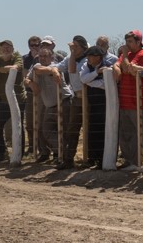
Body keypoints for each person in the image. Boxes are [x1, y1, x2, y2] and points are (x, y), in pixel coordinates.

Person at [115, 30, 143, 170]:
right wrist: (118, 67)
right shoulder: (127, 55)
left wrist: (124, 58)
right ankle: (132, 161)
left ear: (139, 42)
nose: (127, 44)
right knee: (127, 133)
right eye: (126, 41)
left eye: (130, 41)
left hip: (140, 101)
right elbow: (118, 66)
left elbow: (129, 69)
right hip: (125, 101)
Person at [26, 43, 67, 164]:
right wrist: (31, 83)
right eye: (40, 56)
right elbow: (26, 79)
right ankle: (55, 153)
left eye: (45, 56)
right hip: (50, 103)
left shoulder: (56, 66)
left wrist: (52, 71)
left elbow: (42, 69)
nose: (42, 58)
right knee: (44, 129)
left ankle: (62, 154)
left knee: (56, 130)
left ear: (51, 57)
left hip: (63, 101)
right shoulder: (37, 66)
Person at [77, 45, 113, 168]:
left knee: (103, 131)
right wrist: (96, 72)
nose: (89, 58)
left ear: (98, 57)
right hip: (92, 104)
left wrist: (91, 83)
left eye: (91, 56)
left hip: (105, 103)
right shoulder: (87, 65)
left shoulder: (108, 65)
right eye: (88, 56)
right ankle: (92, 158)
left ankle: (102, 160)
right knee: (92, 131)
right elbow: (83, 78)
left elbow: (105, 84)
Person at [58, 35, 88, 168]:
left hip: (88, 98)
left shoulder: (87, 59)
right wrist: (55, 72)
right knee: (71, 129)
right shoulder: (69, 58)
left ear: (83, 47)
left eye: (76, 46)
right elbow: (58, 67)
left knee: (90, 130)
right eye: (72, 46)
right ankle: (68, 159)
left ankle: (90, 159)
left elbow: (71, 69)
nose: (73, 48)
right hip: (76, 98)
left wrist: (71, 54)